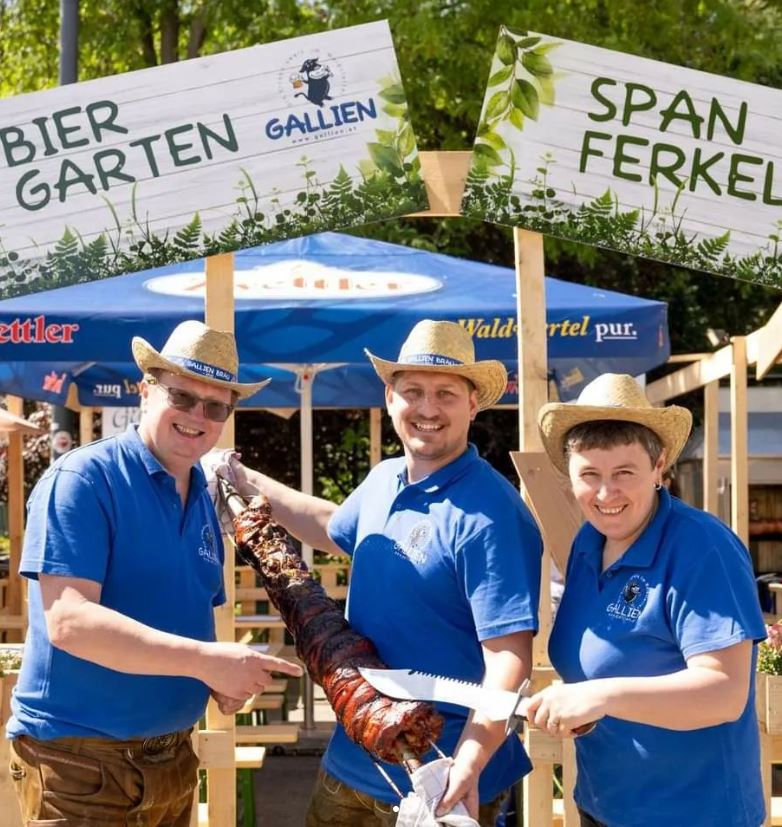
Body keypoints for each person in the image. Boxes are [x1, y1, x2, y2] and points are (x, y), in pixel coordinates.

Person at [222, 319, 543, 826]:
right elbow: (331, 526)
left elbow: (509, 660)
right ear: (390, 396)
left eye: (445, 393)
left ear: (474, 403)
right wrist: (244, 480)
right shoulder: (383, 479)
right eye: (413, 391)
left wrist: (470, 761)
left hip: (446, 773)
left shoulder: (492, 514)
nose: (428, 408)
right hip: (354, 754)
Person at [6, 320, 303, 827]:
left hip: (172, 761)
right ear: (145, 390)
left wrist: (219, 680)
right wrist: (207, 662)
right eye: (182, 397)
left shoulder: (205, 499)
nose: (197, 417)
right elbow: (70, 622)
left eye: (215, 406)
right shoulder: (83, 479)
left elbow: (186, 623)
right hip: (79, 766)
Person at [527, 372, 766, 827]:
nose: (604, 493)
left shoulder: (702, 548)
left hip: (695, 814)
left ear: (659, 468)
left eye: (624, 473)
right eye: (589, 475)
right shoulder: (586, 543)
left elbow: (724, 694)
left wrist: (601, 695)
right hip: (604, 804)